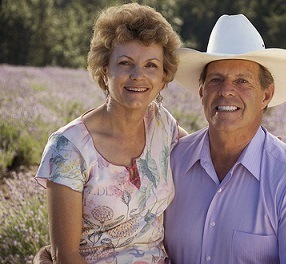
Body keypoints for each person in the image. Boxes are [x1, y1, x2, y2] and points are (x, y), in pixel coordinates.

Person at [164, 14, 286, 263]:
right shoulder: (174, 162)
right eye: (216, 80)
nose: (226, 91)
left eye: (242, 81)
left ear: (266, 95)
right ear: (202, 92)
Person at [34, 3, 187, 263]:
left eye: (151, 65)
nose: (138, 75)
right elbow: (65, 255)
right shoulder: (68, 148)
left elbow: (207, 149)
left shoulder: (162, 124)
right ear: (105, 71)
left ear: (163, 77)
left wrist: (253, 143)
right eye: (126, 63)